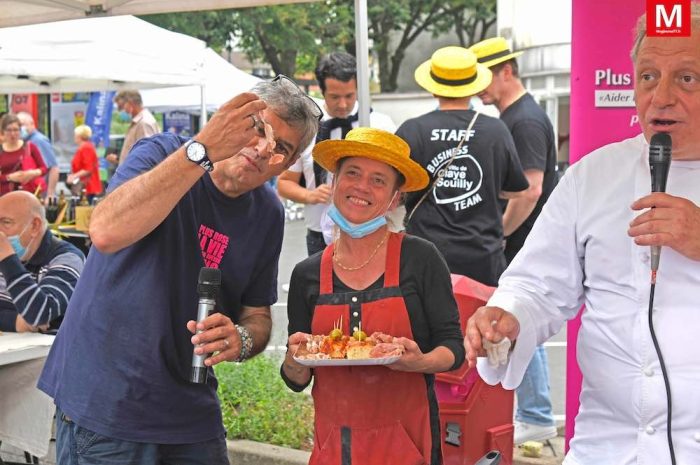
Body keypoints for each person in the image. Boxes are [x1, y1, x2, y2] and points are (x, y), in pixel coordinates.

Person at [38, 77, 321, 465]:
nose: (261, 148)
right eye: (258, 128)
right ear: (231, 118)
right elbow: (104, 232)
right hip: (108, 405)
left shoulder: (267, 213)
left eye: (280, 148)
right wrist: (200, 151)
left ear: (288, 165)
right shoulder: (163, 151)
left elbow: (256, 316)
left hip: (191, 413)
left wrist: (240, 338)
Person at [465, 7, 700, 465]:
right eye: (648, 75)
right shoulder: (593, 175)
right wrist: (509, 316)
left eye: (687, 78)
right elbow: (537, 285)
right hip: (606, 448)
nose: (662, 96)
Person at [282, 127, 464, 465]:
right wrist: (295, 360)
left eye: (379, 180)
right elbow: (297, 379)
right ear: (334, 182)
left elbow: (454, 349)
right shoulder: (307, 275)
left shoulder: (420, 258)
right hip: (334, 449)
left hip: (409, 446)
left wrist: (419, 362)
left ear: (395, 198)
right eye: (352, 173)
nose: (362, 186)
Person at [470, 36, 559, 444]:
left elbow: (530, 189)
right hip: (520, 238)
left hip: (523, 239)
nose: (476, 85)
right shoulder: (514, 116)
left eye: (482, 75)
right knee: (513, 321)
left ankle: (537, 413)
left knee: (520, 319)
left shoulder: (522, 120)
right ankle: (534, 412)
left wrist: (501, 233)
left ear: (506, 70)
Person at [395, 46, 529, 287]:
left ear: (433, 88)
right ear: (474, 85)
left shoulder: (411, 130)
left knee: (423, 324)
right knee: (479, 325)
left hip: (423, 256)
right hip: (482, 258)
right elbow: (516, 191)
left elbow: (394, 193)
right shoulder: (496, 131)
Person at [277, 52, 396, 256]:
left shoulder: (380, 125)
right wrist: (310, 195)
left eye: (349, 96)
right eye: (334, 97)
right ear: (322, 91)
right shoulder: (306, 128)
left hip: (371, 229)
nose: (342, 104)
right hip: (318, 235)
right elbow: (284, 182)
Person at [0, 191, 84, 333]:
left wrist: (8, 259)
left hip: (44, 353)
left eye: (6, 222)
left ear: (35, 226)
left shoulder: (68, 257)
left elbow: (40, 313)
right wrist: (16, 322)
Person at [106, 89, 160, 167]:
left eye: (121, 107)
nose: (120, 111)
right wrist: (119, 160)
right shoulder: (138, 123)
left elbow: (147, 157)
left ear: (130, 103)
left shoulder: (143, 123)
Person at [0, 113, 48, 196]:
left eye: (16, 130)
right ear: (3, 131)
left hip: (28, 195)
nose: (13, 134)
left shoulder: (29, 147)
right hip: (5, 196)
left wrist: (32, 173)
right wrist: (9, 177)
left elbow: (44, 168)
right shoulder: (1, 150)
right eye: (9, 130)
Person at [17, 111, 60, 201]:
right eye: (18, 126)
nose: (20, 128)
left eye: (22, 125)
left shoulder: (38, 140)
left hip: (42, 192)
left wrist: (50, 194)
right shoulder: (24, 142)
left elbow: (53, 167)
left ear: (32, 124)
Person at [67, 125, 103, 202]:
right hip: (84, 185)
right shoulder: (83, 147)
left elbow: (88, 168)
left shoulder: (86, 147)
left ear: (79, 136)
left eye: (75, 135)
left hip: (88, 186)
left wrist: (74, 176)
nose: (74, 137)